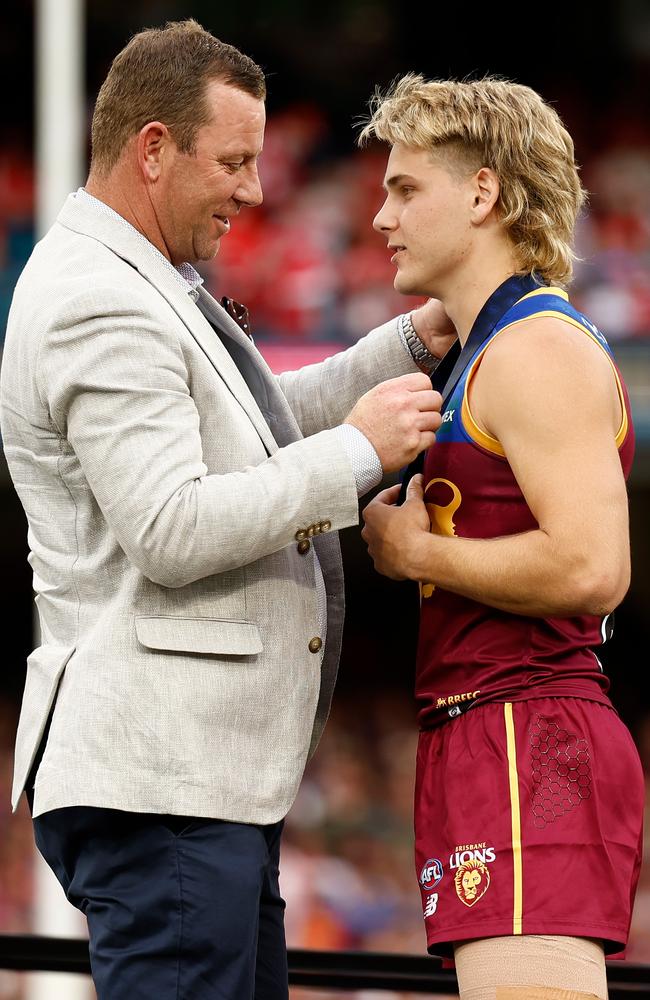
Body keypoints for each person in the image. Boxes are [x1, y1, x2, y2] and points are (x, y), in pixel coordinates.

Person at [0, 23, 454, 1000]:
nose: (254, 190)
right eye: (235, 161)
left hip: (190, 786)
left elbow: (246, 433)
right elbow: (171, 525)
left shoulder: (132, 279)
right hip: (163, 784)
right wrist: (359, 454)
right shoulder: (99, 299)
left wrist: (406, 347)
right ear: (152, 149)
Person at [359, 75, 644, 1000]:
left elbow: (595, 566)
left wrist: (417, 555)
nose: (380, 217)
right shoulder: (486, 346)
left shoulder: (537, 350)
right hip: (485, 733)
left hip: (532, 729)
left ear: (481, 193)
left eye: (405, 189)